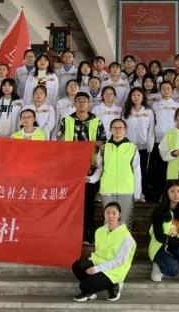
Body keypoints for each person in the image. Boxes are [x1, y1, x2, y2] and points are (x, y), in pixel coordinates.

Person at [60, 92, 108, 244]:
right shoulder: (66, 120)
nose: (81, 103)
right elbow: (60, 142)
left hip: (90, 169)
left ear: (89, 104)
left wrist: (92, 144)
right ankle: (69, 234)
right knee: (70, 203)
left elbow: (103, 142)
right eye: (79, 101)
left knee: (88, 204)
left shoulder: (96, 121)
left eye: (84, 101)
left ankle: (87, 236)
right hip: (70, 169)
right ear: (74, 103)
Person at [71, 201, 136, 302]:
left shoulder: (127, 237)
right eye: (107, 213)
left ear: (119, 215)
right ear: (104, 214)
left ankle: (114, 286)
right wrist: (92, 264)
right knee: (77, 266)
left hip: (115, 270)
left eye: (114, 213)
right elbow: (98, 252)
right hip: (99, 263)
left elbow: (119, 261)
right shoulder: (99, 231)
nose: (110, 216)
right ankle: (90, 291)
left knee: (84, 285)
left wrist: (97, 269)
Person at [90, 118, 142, 228]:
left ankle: (122, 240)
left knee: (123, 222)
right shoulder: (104, 148)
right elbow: (100, 168)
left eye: (121, 128)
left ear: (125, 130)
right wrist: (91, 179)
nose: (118, 130)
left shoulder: (132, 148)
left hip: (126, 190)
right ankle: (108, 239)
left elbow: (137, 171)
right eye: (115, 127)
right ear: (110, 130)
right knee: (108, 220)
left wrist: (137, 192)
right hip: (107, 190)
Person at [123, 87, 154, 200]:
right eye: (134, 95)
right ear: (130, 97)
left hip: (143, 147)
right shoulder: (126, 112)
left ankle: (142, 194)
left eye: (138, 95)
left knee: (142, 172)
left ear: (143, 97)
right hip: (129, 147)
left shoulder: (148, 112)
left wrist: (150, 146)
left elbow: (151, 130)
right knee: (129, 171)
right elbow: (123, 130)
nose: (136, 97)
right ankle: (130, 193)